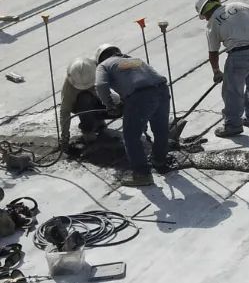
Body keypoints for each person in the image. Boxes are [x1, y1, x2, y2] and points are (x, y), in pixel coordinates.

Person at [94, 43, 170, 186]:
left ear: (100, 58)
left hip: (141, 96)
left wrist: (110, 105)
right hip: (162, 90)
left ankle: (142, 174)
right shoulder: (134, 60)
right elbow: (136, 79)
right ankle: (160, 160)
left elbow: (100, 85)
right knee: (161, 130)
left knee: (130, 136)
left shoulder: (103, 65)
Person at [196, 0, 249, 138]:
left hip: (238, 55)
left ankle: (233, 125)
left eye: (204, 17)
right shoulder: (238, 5)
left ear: (206, 11)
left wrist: (216, 71)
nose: (205, 20)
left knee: (232, 92)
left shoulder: (212, 23)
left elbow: (213, 52)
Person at [58, 55, 105, 151]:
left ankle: (98, 121)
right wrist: (65, 136)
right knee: (85, 100)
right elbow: (65, 112)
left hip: (100, 100)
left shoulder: (96, 70)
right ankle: (88, 129)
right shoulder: (69, 86)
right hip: (81, 106)